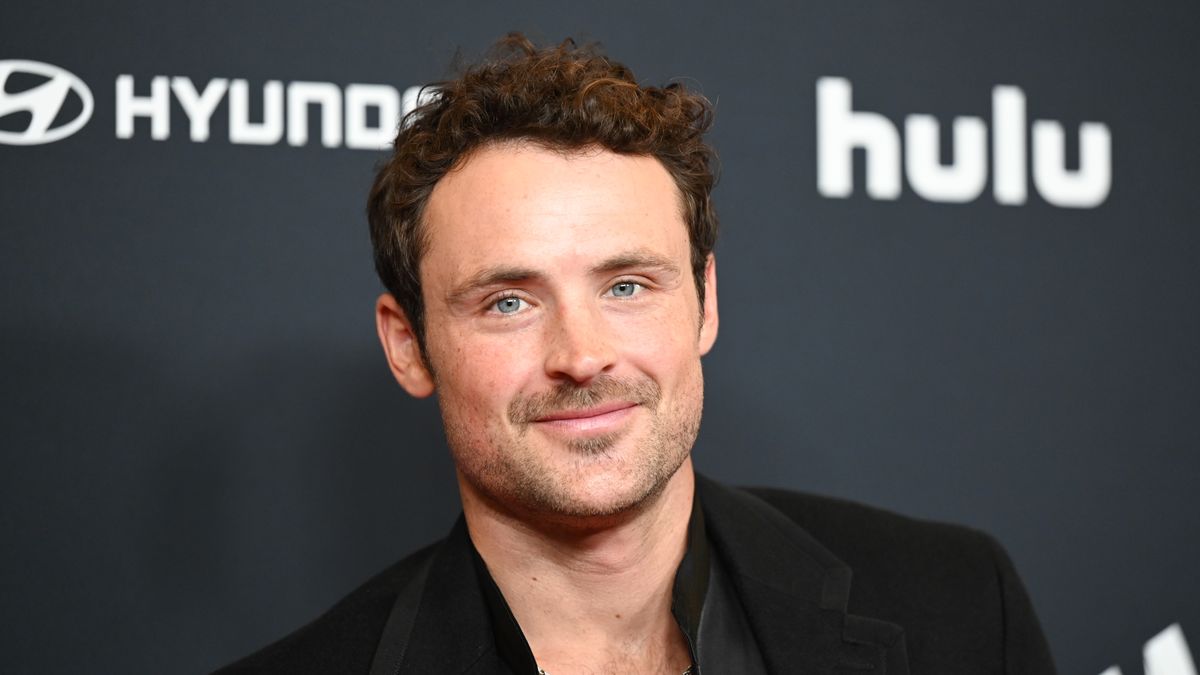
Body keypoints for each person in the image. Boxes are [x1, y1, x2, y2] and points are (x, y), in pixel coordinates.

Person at [216, 34, 1057, 675]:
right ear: (409, 345)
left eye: (627, 286)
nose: (582, 356)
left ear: (705, 302)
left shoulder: (957, 607)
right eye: (509, 301)